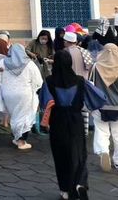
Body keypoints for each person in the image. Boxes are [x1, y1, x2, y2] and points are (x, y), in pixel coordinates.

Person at [42, 51, 98, 200]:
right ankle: (79, 182)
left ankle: (65, 190)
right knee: (78, 154)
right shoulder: (80, 81)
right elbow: (98, 98)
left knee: (61, 156)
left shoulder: (49, 81)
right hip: (76, 120)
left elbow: (45, 103)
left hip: (57, 121)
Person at [0, 44, 43, 150]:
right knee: (24, 117)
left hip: (8, 94)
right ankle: (21, 141)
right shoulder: (29, 64)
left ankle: (17, 137)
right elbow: (38, 81)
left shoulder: (3, 63)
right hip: (25, 94)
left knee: (14, 116)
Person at [90, 43, 118, 172]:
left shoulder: (96, 66)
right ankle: (117, 160)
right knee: (117, 134)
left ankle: (104, 152)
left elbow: (90, 84)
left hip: (99, 104)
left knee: (101, 131)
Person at [64, 30, 95, 135]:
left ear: (67, 41)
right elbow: (90, 68)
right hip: (84, 83)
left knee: (71, 108)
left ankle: (73, 131)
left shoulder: (65, 52)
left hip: (70, 85)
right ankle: (84, 131)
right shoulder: (85, 52)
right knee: (84, 109)